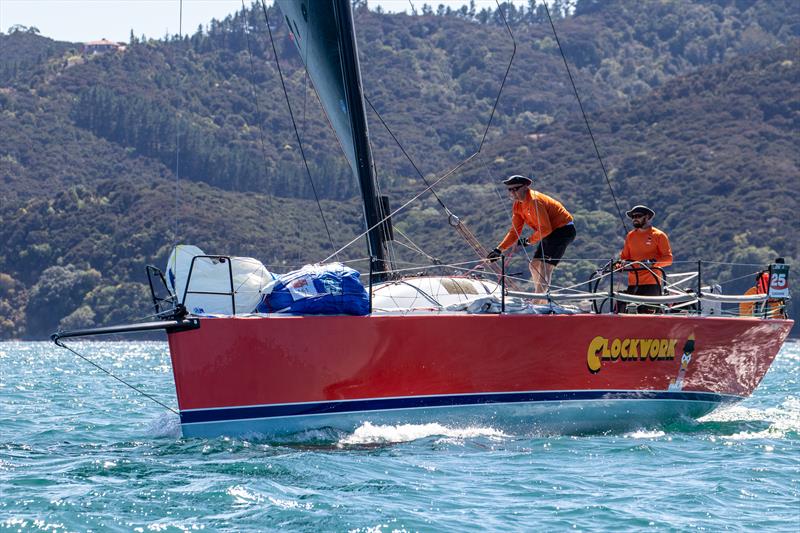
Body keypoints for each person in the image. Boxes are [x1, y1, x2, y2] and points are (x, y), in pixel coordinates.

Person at [487, 175, 575, 295]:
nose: (512, 192)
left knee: (545, 268)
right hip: (549, 232)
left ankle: (538, 301)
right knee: (534, 266)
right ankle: (540, 298)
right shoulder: (518, 205)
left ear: (525, 187)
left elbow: (545, 229)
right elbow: (514, 231)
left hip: (563, 230)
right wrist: (499, 249)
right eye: (509, 189)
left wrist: (529, 241)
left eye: (515, 189)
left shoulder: (534, 201)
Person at [617, 205, 673, 313]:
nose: (635, 219)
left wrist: (653, 263)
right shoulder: (630, 236)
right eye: (633, 217)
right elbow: (624, 258)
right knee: (624, 311)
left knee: (648, 316)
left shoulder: (659, 235)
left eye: (638, 216)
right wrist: (620, 265)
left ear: (647, 217)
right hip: (633, 284)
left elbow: (668, 259)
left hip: (651, 284)